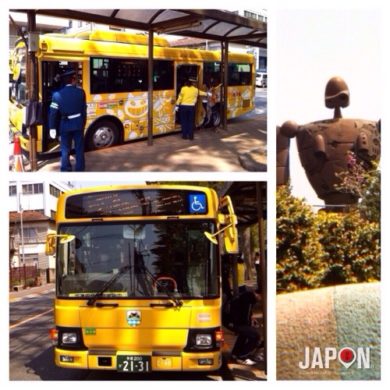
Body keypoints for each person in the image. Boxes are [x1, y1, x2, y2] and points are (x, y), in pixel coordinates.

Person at [49, 67, 87, 171]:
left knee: (65, 148)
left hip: (64, 124)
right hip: (78, 123)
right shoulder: (81, 92)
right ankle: (80, 168)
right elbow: (84, 110)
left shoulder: (56, 95)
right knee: (79, 148)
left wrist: (52, 128)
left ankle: (65, 168)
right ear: (73, 79)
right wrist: (83, 122)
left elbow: (53, 113)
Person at [225, 289, 261, 366]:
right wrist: (250, 324)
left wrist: (251, 319)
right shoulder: (249, 299)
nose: (261, 300)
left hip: (230, 321)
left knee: (243, 335)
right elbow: (246, 315)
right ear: (259, 295)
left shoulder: (246, 296)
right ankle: (242, 356)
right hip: (234, 323)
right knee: (255, 336)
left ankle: (235, 355)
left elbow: (247, 313)